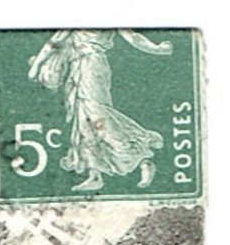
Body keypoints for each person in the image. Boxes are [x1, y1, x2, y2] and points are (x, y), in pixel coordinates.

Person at [28, 30, 174, 191]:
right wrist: (36, 66)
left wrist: (156, 48)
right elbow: (54, 42)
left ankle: (141, 158)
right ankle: (94, 175)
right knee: (83, 119)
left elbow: (133, 37)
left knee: (97, 115)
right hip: (77, 67)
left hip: (92, 65)